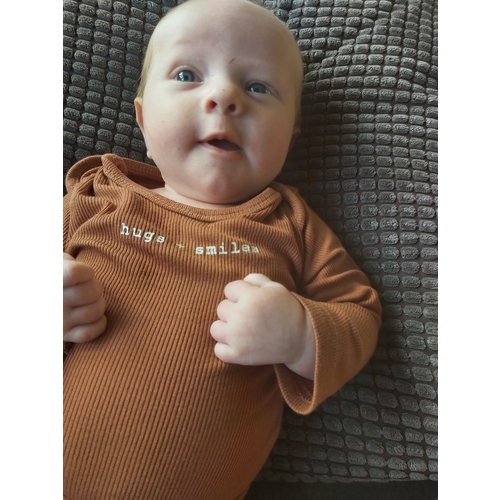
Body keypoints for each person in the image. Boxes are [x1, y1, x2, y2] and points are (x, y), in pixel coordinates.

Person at [63, 0, 382, 498]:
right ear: (143, 122)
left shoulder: (291, 226)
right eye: (187, 75)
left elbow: (359, 313)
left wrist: (301, 335)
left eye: (258, 87)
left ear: (290, 138)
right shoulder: (96, 198)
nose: (224, 97)